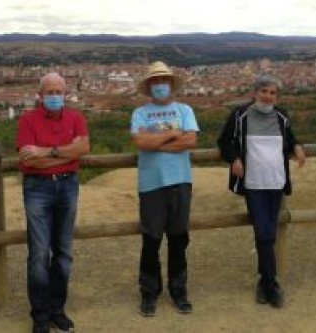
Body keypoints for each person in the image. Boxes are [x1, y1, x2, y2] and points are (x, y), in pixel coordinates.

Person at [217, 75, 305, 309]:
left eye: (272, 93)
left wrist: (296, 146)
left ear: (277, 96)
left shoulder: (281, 115)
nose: (268, 96)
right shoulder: (240, 115)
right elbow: (224, 142)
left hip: (276, 182)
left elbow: (290, 137)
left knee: (269, 233)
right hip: (253, 183)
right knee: (264, 233)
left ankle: (265, 282)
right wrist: (234, 157)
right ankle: (270, 284)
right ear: (255, 93)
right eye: (264, 91)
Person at [16, 73, 90, 333]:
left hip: (68, 186)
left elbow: (84, 148)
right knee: (38, 254)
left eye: (59, 92)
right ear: (40, 95)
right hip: (38, 188)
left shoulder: (76, 117)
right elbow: (27, 161)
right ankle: (40, 316)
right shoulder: (27, 119)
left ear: (65, 94)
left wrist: (47, 152)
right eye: (50, 92)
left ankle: (58, 310)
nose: (55, 96)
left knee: (64, 253)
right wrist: (67, 155)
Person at [131, 61, 199, 317]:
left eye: (164, 81)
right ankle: (149, 293)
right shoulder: (139, 113)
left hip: (180, 181)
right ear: (149, 86)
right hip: (151, 185)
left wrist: (155, 141)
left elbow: (190, 140)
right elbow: (140, 141)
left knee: (179, 239)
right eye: (156, 81)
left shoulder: (185, 109)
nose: (160, 85)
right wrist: (172, 136)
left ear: (171, 84)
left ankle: (179, 291)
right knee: (151, 240)